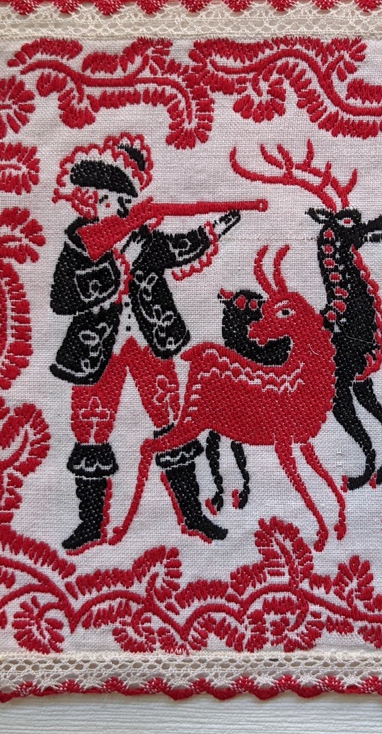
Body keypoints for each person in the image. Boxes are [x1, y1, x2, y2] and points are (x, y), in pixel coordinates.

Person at [50, 133, 240, 551]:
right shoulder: (79, 243)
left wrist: (216, 229)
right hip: (95, 352)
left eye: (120, 200)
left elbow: (178, 248)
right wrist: (118, 268)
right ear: (90, 202)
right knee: (91, 429)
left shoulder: (144, 238)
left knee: (172, 422)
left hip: (150, 343)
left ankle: (192, 514)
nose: (114, 207)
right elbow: (62, 297)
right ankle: (90, 524)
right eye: (104, 199)